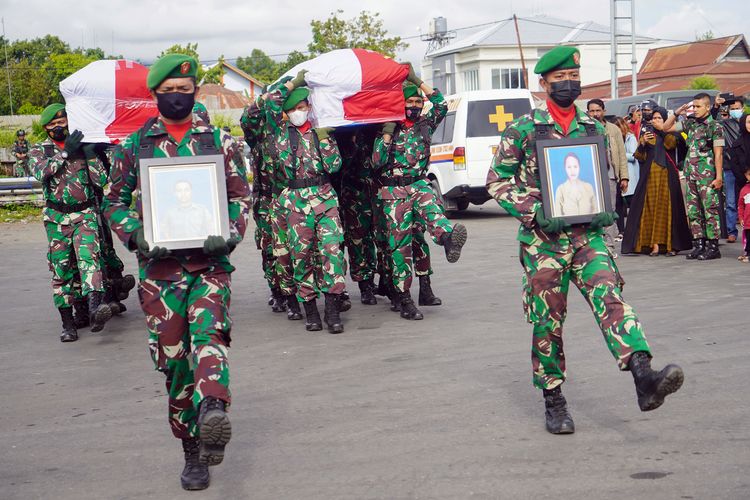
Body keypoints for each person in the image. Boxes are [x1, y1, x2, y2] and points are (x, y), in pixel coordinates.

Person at [486, 46, 683, 435]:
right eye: (559, 79)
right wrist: (532, 208)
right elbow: (497, 181)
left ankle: (643, 376)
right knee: (548, 321)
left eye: (572, 78)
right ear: (543, 84)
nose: (567, 84)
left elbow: (597, 178)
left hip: (587, 237)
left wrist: (605, 207)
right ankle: (554, 399)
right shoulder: (523, 129)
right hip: (543, 242)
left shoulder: (593, 129)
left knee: (611, 297)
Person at [103, 54, 251, 491]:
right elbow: (113, 202)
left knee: (209, 336)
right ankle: (192, 448)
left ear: (194, 93)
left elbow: (241, 195)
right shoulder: (134, 147)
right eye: (167, 92)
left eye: (184, 91)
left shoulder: (220, 142)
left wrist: (229, 232)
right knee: (173, 362)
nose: (176, 98)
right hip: (159, 271)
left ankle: (212, 411)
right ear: (155, 96)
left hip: (209, 265)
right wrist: (136, 236)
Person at [372, 68, 467, 321]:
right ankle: (404, 298)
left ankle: (447, 238)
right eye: (409, 102)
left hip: (418, 183)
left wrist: (417, 82)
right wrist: (387, 133)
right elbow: (376, 161)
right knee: (400, 247)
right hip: (393, 191)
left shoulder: (425, 124)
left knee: (433, 210)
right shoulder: (386, 130)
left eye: (417, 102)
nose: (413, 106)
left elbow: (440, 104)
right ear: (399, 104)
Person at [258, 71, 347, 334]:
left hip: (324, 198)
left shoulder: (321, 131)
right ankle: (310, 311)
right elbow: (268, 102)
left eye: (302, 106)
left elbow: (334, 165)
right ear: (286, 112)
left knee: (332, 252)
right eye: (293, 109)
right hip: (294, 202)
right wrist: (292, 84)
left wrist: (324, 140)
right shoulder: (278, 133)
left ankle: (332, 311)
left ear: (309, 106)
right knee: (301, 257)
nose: (299, 112)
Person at [28, 104, 112, 343]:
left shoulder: (83, 146)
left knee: (90, 260)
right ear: (45, 128)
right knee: (62, 270)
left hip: (84, 214)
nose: (58, 127)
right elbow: (40, 172)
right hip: (56, 219)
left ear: (69, 120)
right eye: (52, 125)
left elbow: (101, 180)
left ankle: (96, 310)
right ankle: (68, 323)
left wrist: (90, 153)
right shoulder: (39, 150)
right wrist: (65, 154)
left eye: (62, 121)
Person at [621, 106, 692, 256]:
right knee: (651, 210)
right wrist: (643, 143)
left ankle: (671, 245)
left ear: (665, 120)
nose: (655, 121)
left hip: (667, 178)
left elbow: (669, 145)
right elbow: (639, 157)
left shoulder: (672, 133)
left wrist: (662, 129)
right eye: (654, 118)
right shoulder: (648, 135)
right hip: (650, 178)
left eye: (659, 118)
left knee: (667, 210)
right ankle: (654, 245)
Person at [663, 93, 725, 260]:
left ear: (707, 107)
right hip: (691, 175)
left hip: (707, 177)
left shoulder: (715, 126)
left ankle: (713, 246)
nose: (695, 109)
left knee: (709, 211)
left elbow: (718, 154)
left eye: (698, 106)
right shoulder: (690, 123)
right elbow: (665, 128)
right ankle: (699, 244)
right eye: (693, 106)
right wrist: (676, 113)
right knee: (693, 211)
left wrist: (718, 177)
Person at [586, 99, 629, 254]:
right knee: (590, 210)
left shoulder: (613, 129)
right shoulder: (583, 129)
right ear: (588, 112)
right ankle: (593, 245)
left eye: (598, 110)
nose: (595, 114)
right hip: (589, 176)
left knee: (609, 211)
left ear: (603, 111)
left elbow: (622, 154)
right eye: (592, 111)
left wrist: (624, 177)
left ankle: (609, 246)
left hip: (610, 174)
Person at [712, 93, 745, 244]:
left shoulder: (748, 123)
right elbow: (712, 119)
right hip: (730, 167)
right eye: (732, 108)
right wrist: (716, 105)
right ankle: (731, 231)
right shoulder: (725, 124)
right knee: (731, 202)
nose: (735, 110)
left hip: (747, 167)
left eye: (737, 108)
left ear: (743, 109)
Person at [615, 117, 639, 235]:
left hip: (630, 175)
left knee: (632, 204)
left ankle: (633, 229)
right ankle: (621, 230)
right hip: (618, 175)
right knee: (618, 204)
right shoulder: (614, 139)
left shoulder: (631, 138)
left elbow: (635, 155)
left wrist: (619, 153)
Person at [737, 164, 750, 263]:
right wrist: (741, 218)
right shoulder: (744, 190)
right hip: (748, 221)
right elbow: (741, 206)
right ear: (746, 175)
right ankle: (748, 253)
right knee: (748, 240)